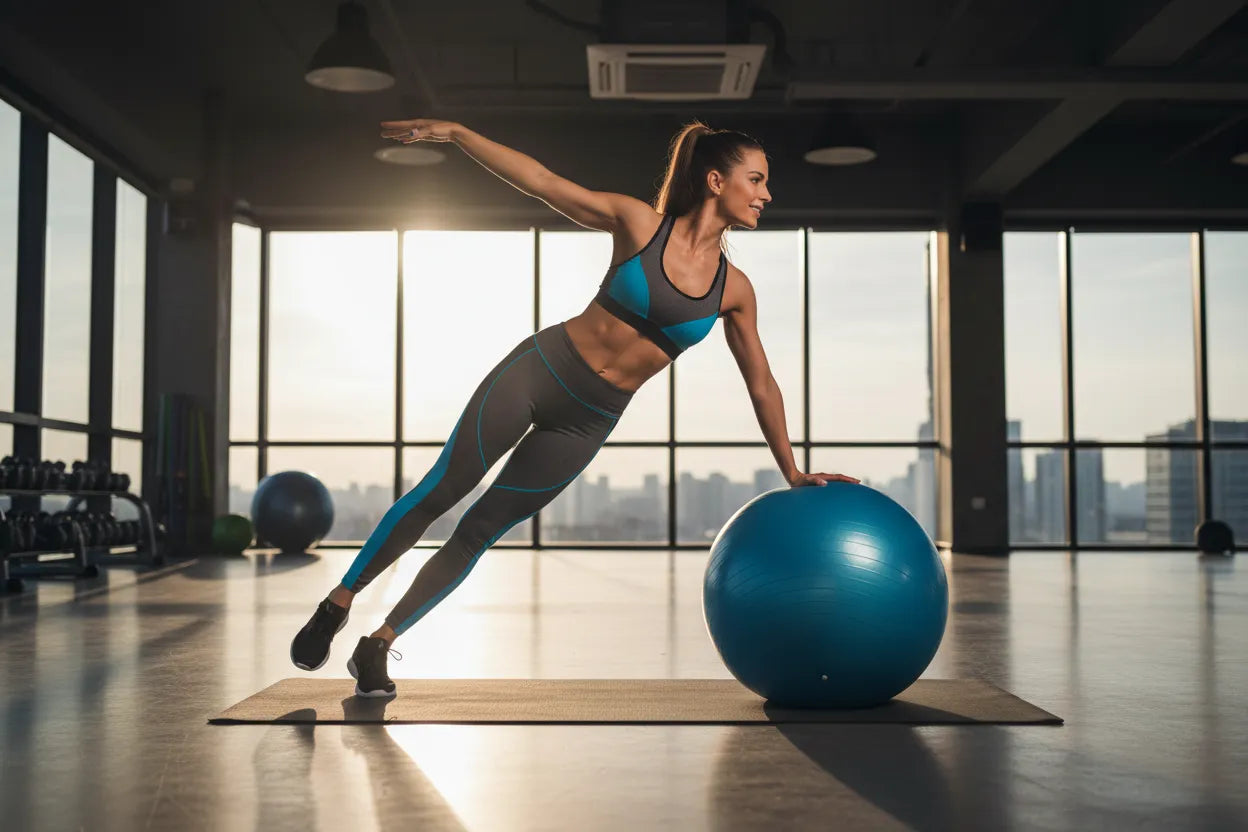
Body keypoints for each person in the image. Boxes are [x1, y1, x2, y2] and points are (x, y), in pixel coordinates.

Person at [290, 118, 861, 698]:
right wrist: (460, 134)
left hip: (590, 418)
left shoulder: (733, 289)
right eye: (757, 180)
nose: (766, 194)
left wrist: (792, 468)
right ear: (717, 181)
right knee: (443, 488)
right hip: (540, 371)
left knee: (479, 531)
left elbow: (761, 381)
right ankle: (338, 604)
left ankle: (378, 645)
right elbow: (541, 181)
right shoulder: (639, 224)